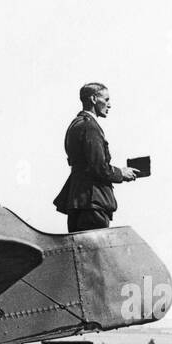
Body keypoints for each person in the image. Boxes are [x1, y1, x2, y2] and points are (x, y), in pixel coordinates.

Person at [52, 83, 139, 232]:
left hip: (77, 202)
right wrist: (121, 173)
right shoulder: (90, 126)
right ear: (93, 99)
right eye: (106, 99)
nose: (109, 105)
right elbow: (99, 167)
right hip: (92, 203)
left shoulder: (75, 124)